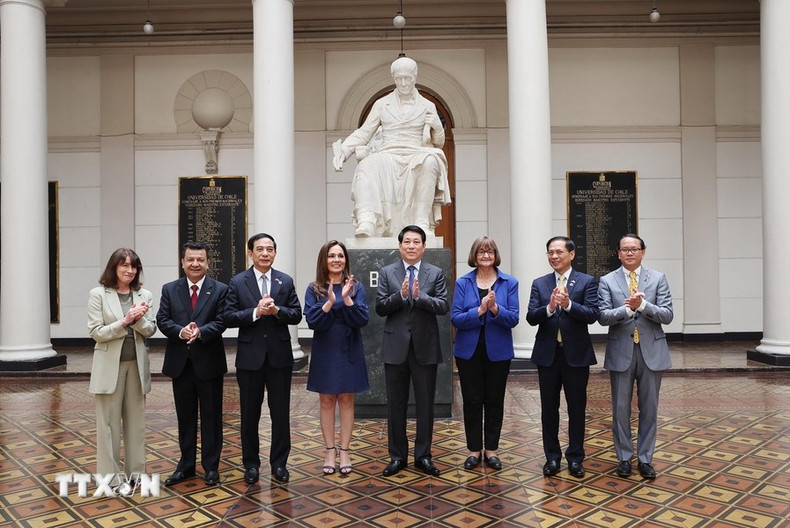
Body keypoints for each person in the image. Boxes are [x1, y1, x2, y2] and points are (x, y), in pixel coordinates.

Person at [332, 56, 451, 238]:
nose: (403, 84)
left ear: (415, 76)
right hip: (388, 152)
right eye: (399, 79)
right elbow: (365, 132)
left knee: (430, 162)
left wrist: (436, 125)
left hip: (415, 152)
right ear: (393, 78)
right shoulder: (381, 104)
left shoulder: (428, 105)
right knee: (366, 166)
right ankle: (367, 219)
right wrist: (344, 151)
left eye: (407, 79)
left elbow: (438, 142)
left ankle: (420, 223)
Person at [223, 233, 302, 484]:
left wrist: (277, 310)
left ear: (275, 253)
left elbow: (297, 314)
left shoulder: (285, 281)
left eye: (270, 249)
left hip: (279, 358)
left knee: (280, 414)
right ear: (250, 253)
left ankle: (279, 464)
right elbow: (229, 317)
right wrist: (255, 312)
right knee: (249, 414)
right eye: (260, 249)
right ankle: (251, 465)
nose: (265, 253)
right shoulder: (238, 282)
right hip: (250, 358)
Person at [598, 234, 674, 479]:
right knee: (620, 409)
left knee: (649, 408)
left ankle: (645, 458)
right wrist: (627, 310)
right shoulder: (607, 281)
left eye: (634, 249)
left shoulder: (658, 278)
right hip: (621, 351)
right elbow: (603, 316)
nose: (629, 253)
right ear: (618, 253)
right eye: (625, 250)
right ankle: (623, 458)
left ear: (643, 252)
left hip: (651, 351)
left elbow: (667, 314)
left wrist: (643, 306)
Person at [376, 225, 450, 477]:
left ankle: (423, 456)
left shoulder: (435, 273)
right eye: (406, 241)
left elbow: (442, 306)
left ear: (423, 246)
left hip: (425, 347)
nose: (411, 246)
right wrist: (401, 295)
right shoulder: (387, 272)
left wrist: (419, 298)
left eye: (416, 242)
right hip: (395, 347)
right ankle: (397, 456)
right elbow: (380, 307)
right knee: (395, 406)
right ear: (399, 246)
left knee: (425, 405)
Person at [527, 236, 599, 479]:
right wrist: (548, 308)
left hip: (576, 356)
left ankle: (576, 457)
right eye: (550, 252)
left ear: (572, 254)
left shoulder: (587, 282)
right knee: (549, 409)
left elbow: (592, 314)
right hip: (548, 355)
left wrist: (568, 305)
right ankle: (552, 458)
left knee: (577, 408)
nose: (554, 256)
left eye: (558, 252)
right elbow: (531, 317)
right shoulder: (540, 283)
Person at [156, 242, 228, 486]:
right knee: (185, 417)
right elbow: (162, 319)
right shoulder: (170, 289)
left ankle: (211, 467)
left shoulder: (220, 290)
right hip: (181, 364)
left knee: (212, 417)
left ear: (208, 263)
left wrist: (202, 331)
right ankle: (186, 465)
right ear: (182, 262)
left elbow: (222, 321)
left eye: (200, 260)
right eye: (190, 259)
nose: (195, 264)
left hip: (209, 362)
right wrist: (180, 331)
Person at [87, 248, 156, 483]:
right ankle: (110, 477)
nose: (129, 270)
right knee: (108, 425)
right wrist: (125, 320)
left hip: (136, 366)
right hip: (109, 368)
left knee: (136, 424)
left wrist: (137, 320)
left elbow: (150, 330)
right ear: (114, 267)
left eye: (133, 266)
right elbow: (97, 333)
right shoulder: (98, 294)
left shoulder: (144, 295)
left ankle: (136, 475)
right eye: (124, 265)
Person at [451, 236, 519, 471]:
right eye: (481, 252)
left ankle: (491, 450)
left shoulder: (509, 282)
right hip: (468, 352)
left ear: (495, 255)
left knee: (494, 401)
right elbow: (456, 318)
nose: (486, 256)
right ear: (474, 255)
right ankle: (473, 450)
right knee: (471, 401)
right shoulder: (463, 283)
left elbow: (513, 319)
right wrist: (479, 310)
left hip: (498, 352)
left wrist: (496, 309)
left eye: (490, 252)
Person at [304, 240, 370, 475]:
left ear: (345, 260)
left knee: (346, 400)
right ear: (324, 260)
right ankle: (330, 450)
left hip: (349, 349)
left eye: (340, 256)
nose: (336, 260)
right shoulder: (314, 289)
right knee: (326, 400)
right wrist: (330, 302)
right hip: (325, 350)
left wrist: (347, 299)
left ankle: (344, 450)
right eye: (332, 256)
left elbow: (362, 319)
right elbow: (312, 322)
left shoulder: (355, 287)